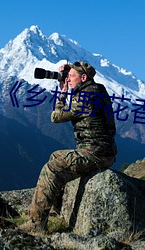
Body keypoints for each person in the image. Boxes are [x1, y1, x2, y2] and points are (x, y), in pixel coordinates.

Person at [19, 61, 117, 233]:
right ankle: (56, 209)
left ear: (84, 78)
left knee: (52, 168)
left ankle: (36, 224)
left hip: (95, 153)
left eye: (72, 76)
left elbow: (56, 117)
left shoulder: (85, 97)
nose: (68, 79)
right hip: (104, 151)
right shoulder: (98, 89)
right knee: (56, 156)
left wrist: (62, 92)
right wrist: (69, 73)